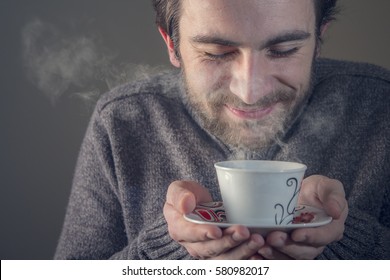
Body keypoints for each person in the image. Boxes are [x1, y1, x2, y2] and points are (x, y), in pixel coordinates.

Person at [54, 0, 389, 260]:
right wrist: (175, 248)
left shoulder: (380, 105)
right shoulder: (122, 120)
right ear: (172, 44)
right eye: (216, 53)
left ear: (319, 39)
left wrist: (339, 238)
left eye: (284, 51)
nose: (250, 92)